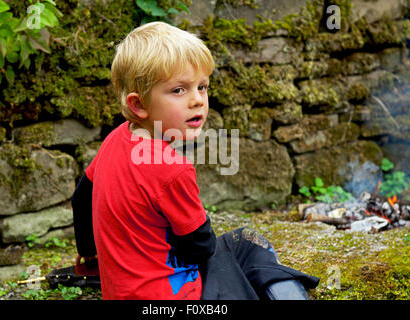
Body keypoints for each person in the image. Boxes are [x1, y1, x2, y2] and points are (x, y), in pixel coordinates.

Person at [71, 21, 319, 300]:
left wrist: (89, 252)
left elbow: (82, 198)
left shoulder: (115, 139)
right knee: (247, 244)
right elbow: (200, 246)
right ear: (138, 104)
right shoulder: (171, 169)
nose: (197, 100)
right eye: (179, 90)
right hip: (177, 297)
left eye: (202, 87)